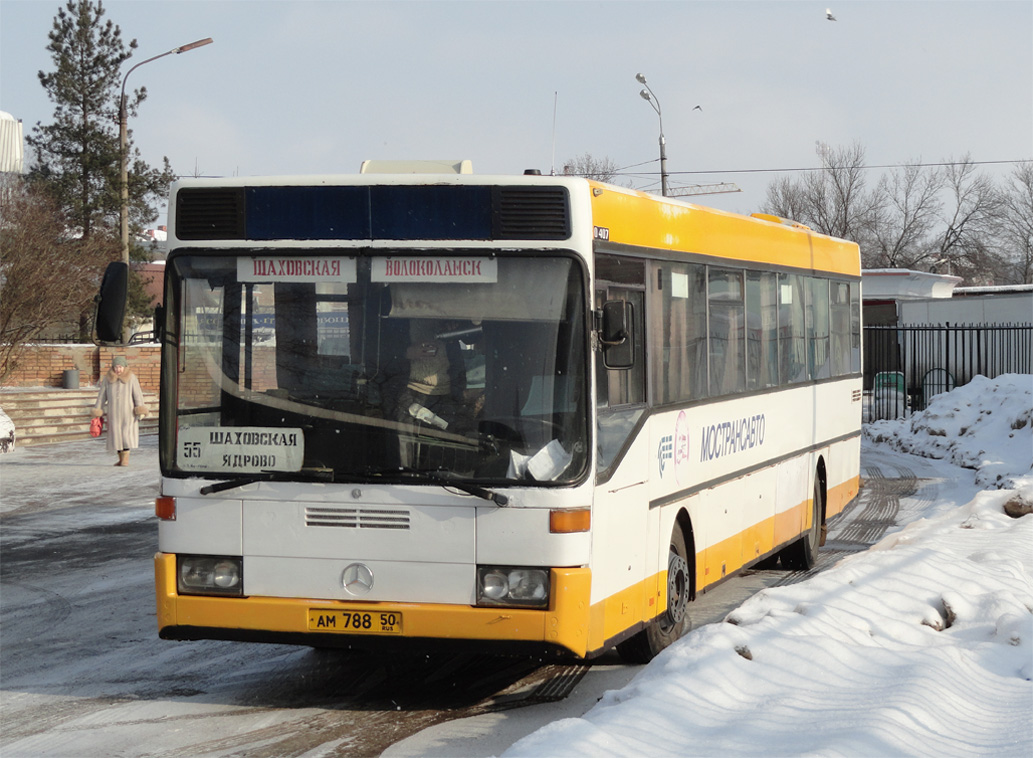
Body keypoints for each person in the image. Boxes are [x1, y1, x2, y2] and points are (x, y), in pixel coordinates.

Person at [93, 356, 147, 466]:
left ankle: (125, 459)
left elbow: (137, 394)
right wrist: (98, 410)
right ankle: (121, 459)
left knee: (126, 435)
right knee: (116, 437)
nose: (118, 369)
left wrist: (140, 409)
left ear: (125, 367)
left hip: (128, 413)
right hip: (113, 413)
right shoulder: (108, 379)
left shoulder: (131, 378)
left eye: (120, 367)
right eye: (116, 367)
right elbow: (102, 396)